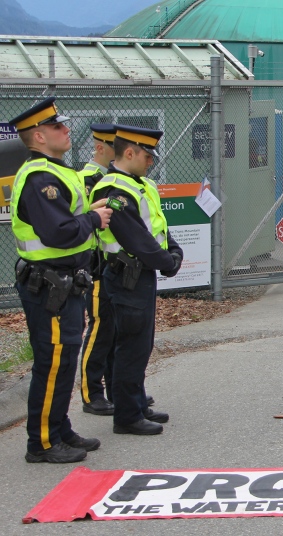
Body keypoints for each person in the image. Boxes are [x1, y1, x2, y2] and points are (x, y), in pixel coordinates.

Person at [9, 97, 113, 463]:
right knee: (52, 361)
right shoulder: (41, 178)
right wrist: (93, 220)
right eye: (57, 126)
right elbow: (57, 232)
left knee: (64, 360)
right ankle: (42, 443)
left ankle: (59, 428)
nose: (66, 130)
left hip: (64, 283)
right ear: (38, 135)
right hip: (49, 284)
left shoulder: (57, 171)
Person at [90, 125, 183, 435]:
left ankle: (135, 404)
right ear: (129, 153)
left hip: (139, 276)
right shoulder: (114, 189)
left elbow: (156, 226)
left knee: (139, 344)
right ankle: (127, 415)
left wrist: (174, 251)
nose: (151, 161)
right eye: (146, 155)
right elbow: (135, 238)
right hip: (126, 275)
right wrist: (167, 262)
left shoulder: (139, 184)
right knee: (131, 346)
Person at [78, 123, 117, 416]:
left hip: (114, 265)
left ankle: (119, 389)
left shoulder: (113, 178)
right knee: (100, 329)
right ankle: (92, 393)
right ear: (101, 147)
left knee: (117, 330)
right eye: (115, 148)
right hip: (96, 267)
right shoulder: (87, 179)